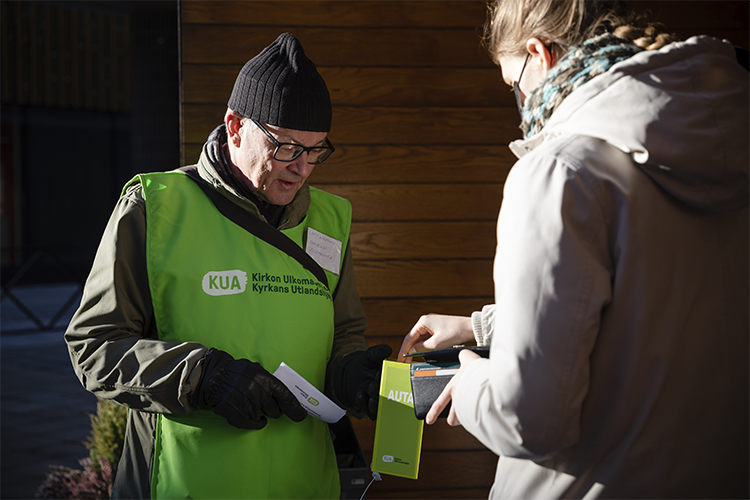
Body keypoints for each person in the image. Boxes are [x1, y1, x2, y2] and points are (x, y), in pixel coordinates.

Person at [399, 1, 749, 498]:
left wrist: (474, 379)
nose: (518, 102)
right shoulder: (729, 148)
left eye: (512, 84)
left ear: (540, 54)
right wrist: (481, 327)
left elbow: (530, 421)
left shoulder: (560, 173)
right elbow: (650, 303)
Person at [65, 32, 391, 499]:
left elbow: (343, 333)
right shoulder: (155, 208)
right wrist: (203, 375)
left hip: (304, 482)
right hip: (186, 482)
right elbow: (93, 347)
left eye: (316, 150)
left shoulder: (330, 220)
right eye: (287, 148)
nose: (302, 169)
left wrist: (350, 372)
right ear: (235, 126)